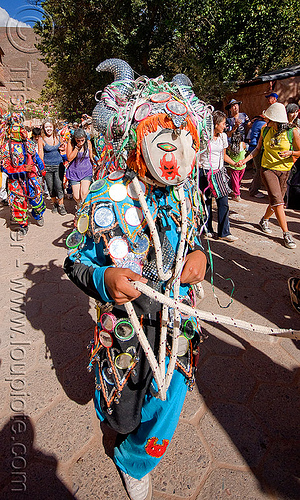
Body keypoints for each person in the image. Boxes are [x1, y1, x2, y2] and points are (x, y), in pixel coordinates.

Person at [64, 58, 211, 500]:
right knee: (121, 413)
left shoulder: (186, 192)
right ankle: (122, 429)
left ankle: (135, 461)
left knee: (169, 402)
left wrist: (203, 256)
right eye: (164, 143)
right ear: (135, 139)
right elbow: (75, 260)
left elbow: (196, 238)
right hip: (125, 329)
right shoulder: (105, 194)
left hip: (177, 323)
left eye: (185, 144)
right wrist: (105, 278)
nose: (176, 157)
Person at [239, 102, 300, 249]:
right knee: (278, 201)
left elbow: (299, 151)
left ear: (276, 121)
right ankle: (286, 234)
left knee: (276, 203)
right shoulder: (265, 130)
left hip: (285, 171)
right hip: (267, 169)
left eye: (268, 119)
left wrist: (291, 153)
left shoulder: (293, 132)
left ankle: (264, 220)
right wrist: (245, 160)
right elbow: (258, 149)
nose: (266, 120)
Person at [0, 114, 46, 234]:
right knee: (18, 202)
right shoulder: (6, 147)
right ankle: (23, 225)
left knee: (37, 198)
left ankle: (38, 215)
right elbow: (4, 166)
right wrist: (22, 168)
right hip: (15, 180)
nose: (21, 131)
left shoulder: (29, 143)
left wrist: (42, 169)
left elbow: (36, 157)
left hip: (31, 177)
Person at [199, 110, 238, 241]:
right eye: (223, 123)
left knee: (223, 202)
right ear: (215, 124)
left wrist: (234, 163)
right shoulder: (203, 137)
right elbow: (197, 154)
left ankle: (224, 232)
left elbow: (224, 155)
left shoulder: (223, 137)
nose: (225, 126)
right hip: (204, 173)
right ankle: (207, 229)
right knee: (206, 202)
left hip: (219, 173)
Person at [38, 119, 66, 215]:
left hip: (59, 165)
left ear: (53, 127)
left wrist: (63, 149)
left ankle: (61, 205)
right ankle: (54, 203)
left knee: (59, 186)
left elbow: (63, 148)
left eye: (50, 126)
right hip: (47, 166)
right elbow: (40, 155)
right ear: (43, 128)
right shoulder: (41, 139)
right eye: (46, 127)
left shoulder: (58, 137)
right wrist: (41, 168)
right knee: (50, 187)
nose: (48, 129)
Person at [65, 128, 94, 206]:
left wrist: (96, 162)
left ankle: (85, 209)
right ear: (75, 139)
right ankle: (79, 206)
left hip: (86, 170)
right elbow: (69, 158)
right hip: (74, 172)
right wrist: (77, 148)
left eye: (82, 140)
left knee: (84, 193)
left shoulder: (88, 143)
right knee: (76, 196)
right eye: (78, 140)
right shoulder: (71, 143)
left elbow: (91, 157)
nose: (81, 142)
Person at [248, 115, 267, 198]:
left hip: (252, 146)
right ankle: (254, 190)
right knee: (259, 170)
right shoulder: (263, 124)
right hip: (256, 148)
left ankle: (253, 187)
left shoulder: (256, 123)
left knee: (257, 169)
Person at [226, 130, 248, 201]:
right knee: (238, 180)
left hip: (234, 166)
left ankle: (236, 194)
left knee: (235, 181)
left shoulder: (230, 146)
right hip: (242, 166)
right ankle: (236, 192)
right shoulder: (243, 144)